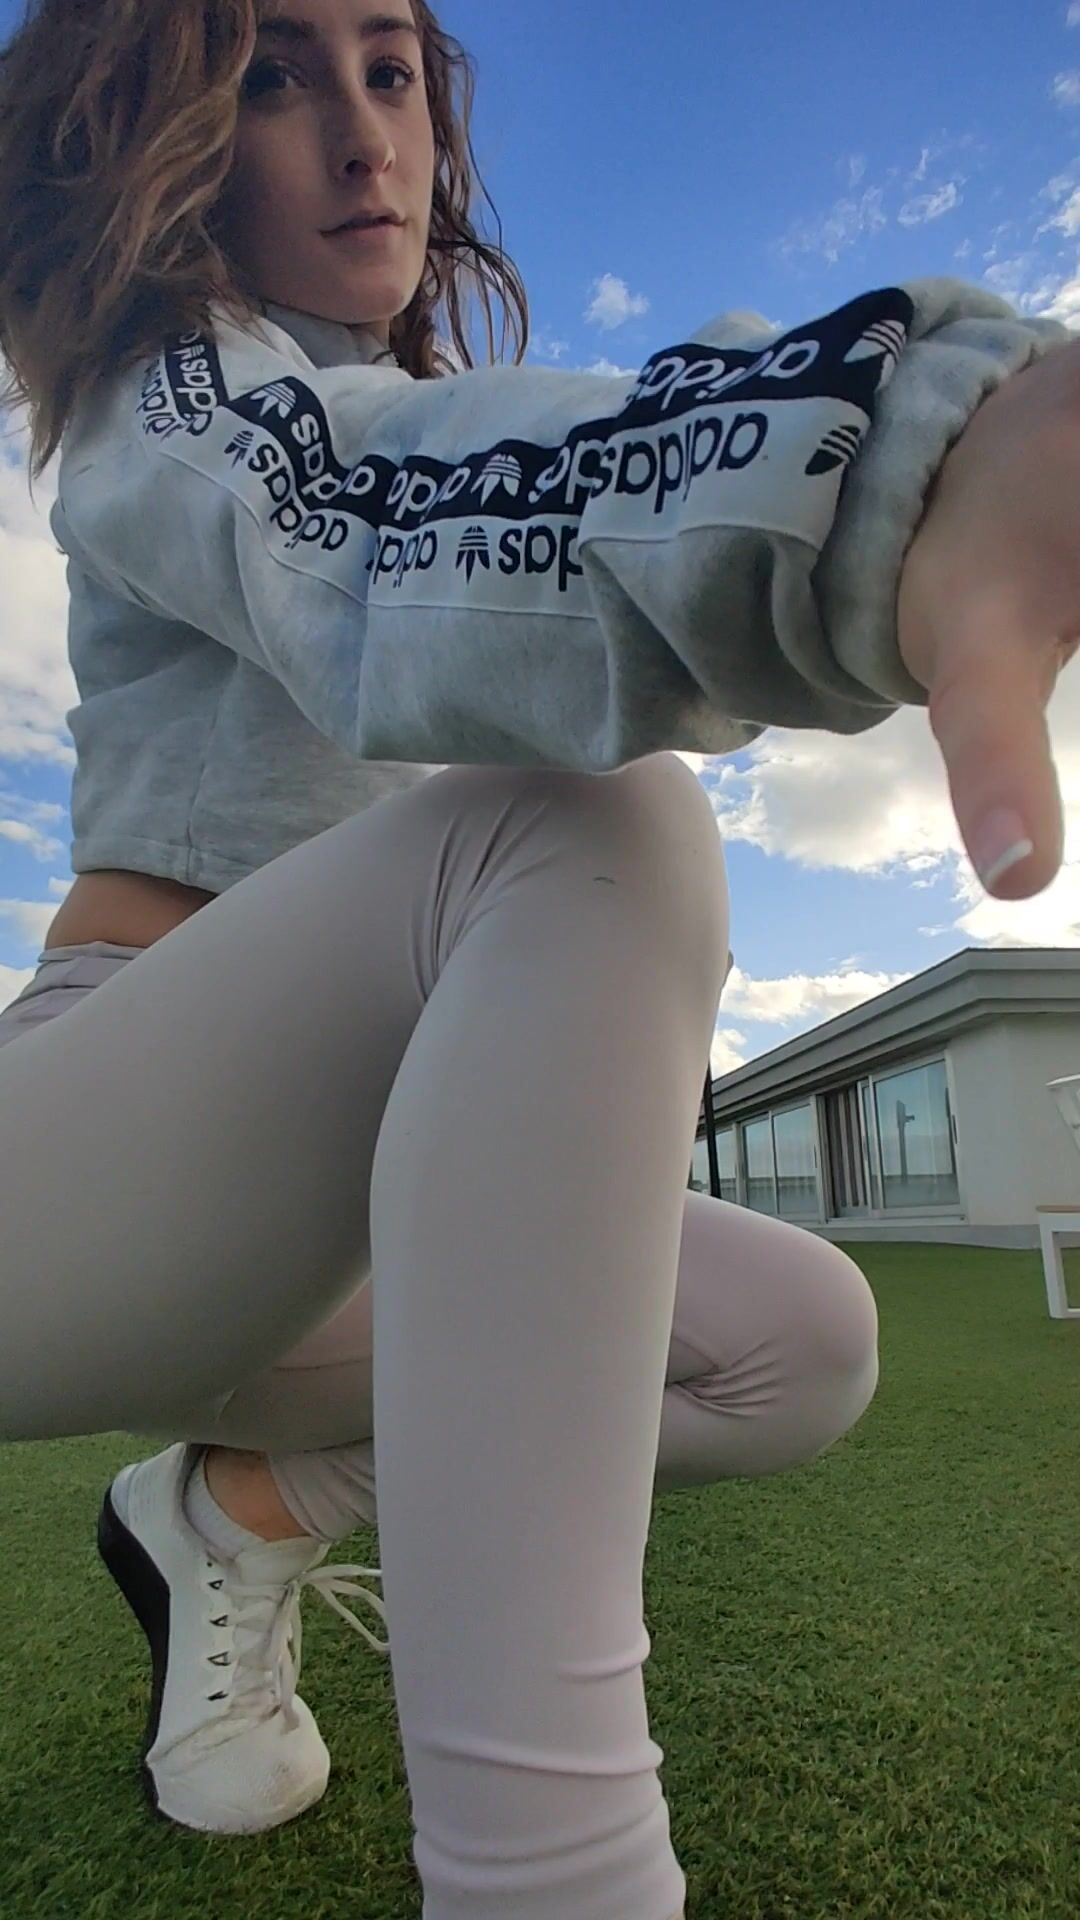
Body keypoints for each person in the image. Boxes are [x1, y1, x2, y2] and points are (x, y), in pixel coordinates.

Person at [0, 2, 1076, 1916]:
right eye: (272, 76)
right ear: (161, 137)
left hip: (348, 1226)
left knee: (803, 1342)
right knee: (592, 819)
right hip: (87, 1191)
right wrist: (897, 463)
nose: (364, 134)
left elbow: (455, 497)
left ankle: (228, 1512)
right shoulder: (158, 405)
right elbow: (353, 513)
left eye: (392, 72)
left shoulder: (417, 422)